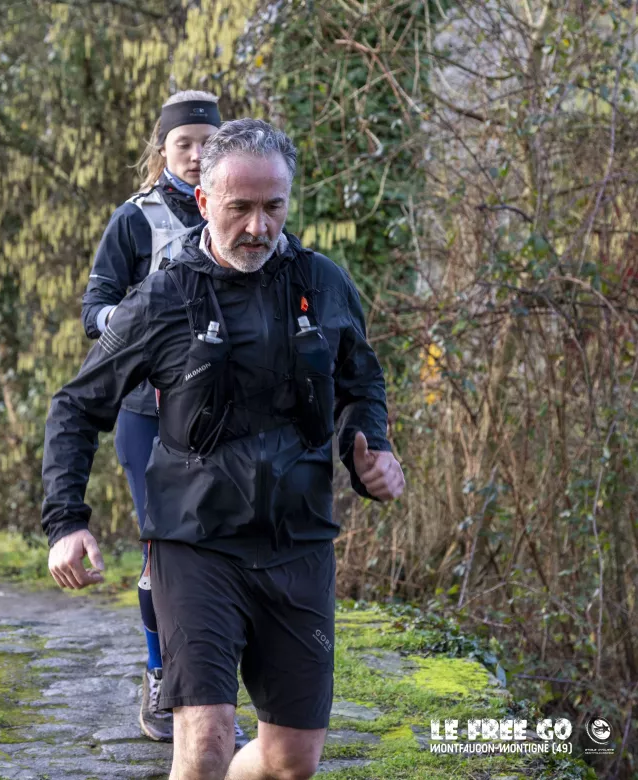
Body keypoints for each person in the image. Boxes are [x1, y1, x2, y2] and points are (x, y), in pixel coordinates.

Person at [42, 119, 405, 780]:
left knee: (292, 761)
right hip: (195, 542)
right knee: (205, 742)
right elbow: (77, 405)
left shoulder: (323, 284)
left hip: (299, 541)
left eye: (274, 207)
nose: (258, 227)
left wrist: (370, 447)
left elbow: (362, 382)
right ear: (205, 201)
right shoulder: (163, 298)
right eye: (240, 208)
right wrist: (66, 521)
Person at [81, 90, 232, 744]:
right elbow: (93, 309)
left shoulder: (243, 210)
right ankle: (160, 679)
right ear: (162, 149)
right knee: (164, 551)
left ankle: (213, 690)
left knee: (223, 552)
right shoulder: (135, 220)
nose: (197, 155)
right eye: (184, 144)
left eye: (208, 144)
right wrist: (145, 327)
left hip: (225, 413)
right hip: (148, 413)